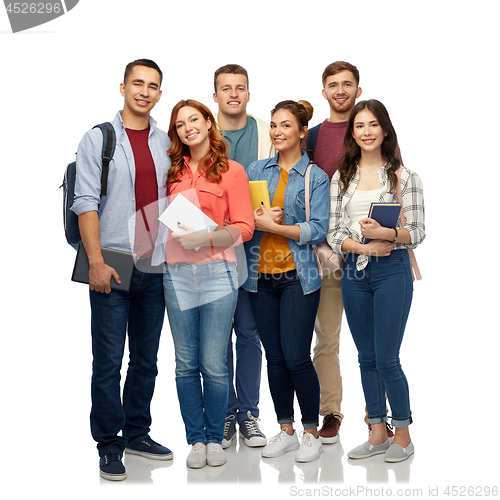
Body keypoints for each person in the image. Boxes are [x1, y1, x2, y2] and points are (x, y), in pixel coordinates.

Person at [71, 59, 172, 481]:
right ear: (123, 87)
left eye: (152, 86)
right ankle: (109, 443)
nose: (144, 92)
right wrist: (95, 261)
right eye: (137, 84)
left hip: (156, 263)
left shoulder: (167, 141)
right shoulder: (100, 138)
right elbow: (85, 202)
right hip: (112, 261)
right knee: (109, 360)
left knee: (146, 359)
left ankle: (137, 432)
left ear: (159, 94)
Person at [327, 99, 425, 463]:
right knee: (365, 357)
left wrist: (387, 232)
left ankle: (403, 434)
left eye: (373, 125)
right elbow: (334, 232)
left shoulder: (405, 176)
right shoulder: (343, 176)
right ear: (351, 132)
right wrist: (362, 246)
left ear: (385, 130)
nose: (366, 132)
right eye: (359, 126)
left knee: (387, 358)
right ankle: (377, 432)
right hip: (354, 269)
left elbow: (417, 231)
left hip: (393, 270)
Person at [163, 99, 254, 469]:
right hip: (177, 274)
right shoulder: (170, 172)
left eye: (194, 120)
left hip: (219, 272)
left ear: (208, 122)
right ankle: (195, 438)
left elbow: (245, 227)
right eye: (180, 124)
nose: (188, 128)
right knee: (185, 362)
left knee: (214, 362)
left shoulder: (232, 171)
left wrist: (207, 238)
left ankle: (216, 437)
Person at [243, 100, 330, 463]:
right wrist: (256, 217)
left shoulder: (315, 177)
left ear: (301, 132)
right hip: (259, 277)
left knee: (296, 355)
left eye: (286, 126)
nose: (278, 132)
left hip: (298, 277)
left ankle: (311, 431)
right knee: (275, 358)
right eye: (274, 125)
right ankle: (286, 430)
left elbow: (317, 228)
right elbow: (241, 217)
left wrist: (274, 226)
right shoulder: (256, 170)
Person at [212, 64, 274, 448]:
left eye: (240, 88)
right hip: (211, 254)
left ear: (249, 94)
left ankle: (248, 414)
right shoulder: (199, 134)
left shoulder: (266, 135)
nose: (233, 94)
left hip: (256, 252)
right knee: (217, 339)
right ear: (215, 95)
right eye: (225, 88)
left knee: (249, 334)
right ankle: (223, 414)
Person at [305, 61, 362, 445]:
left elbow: (394, 184)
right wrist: (319, 244)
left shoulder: (370, 129)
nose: (340, 91)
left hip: (367, 250)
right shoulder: (311, 137)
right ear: (323, 92)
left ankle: (382, 419)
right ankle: (330, 411)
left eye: (347, 85)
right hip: (323, 253)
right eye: (332, 85)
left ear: (358, 90)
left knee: (373, 342)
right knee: (326, 336)